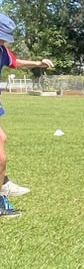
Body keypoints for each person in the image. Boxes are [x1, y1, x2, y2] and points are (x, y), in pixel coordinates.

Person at [0, 13, 54, 217]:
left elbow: (16, 62)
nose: (3, 40)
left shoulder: (2, 50)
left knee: (2, 141)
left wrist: (38, 64)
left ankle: (3, 184)